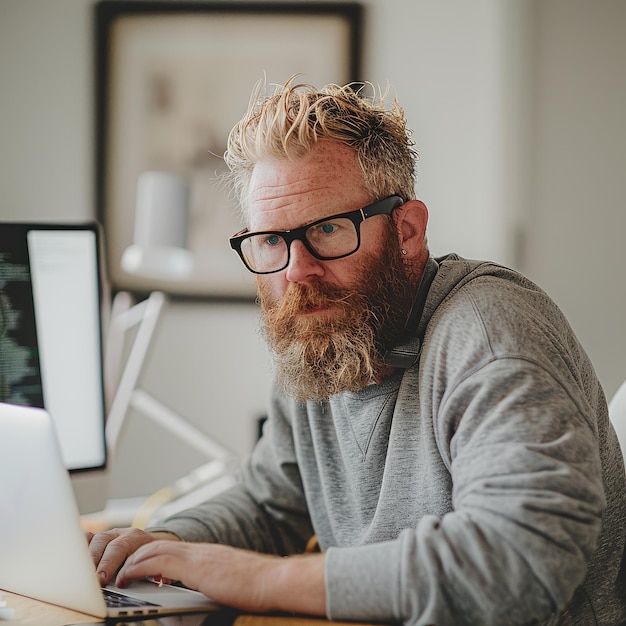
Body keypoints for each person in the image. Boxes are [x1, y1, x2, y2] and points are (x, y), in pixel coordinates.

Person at [89, 79, 626, 625]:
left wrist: (256, 579)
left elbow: (519, 564)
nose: (299, 272)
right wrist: (162, 543)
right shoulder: (323, 337)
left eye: (327, 229)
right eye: (272, 240)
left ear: (408, 229)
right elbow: (271, 502)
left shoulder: (490, 336)